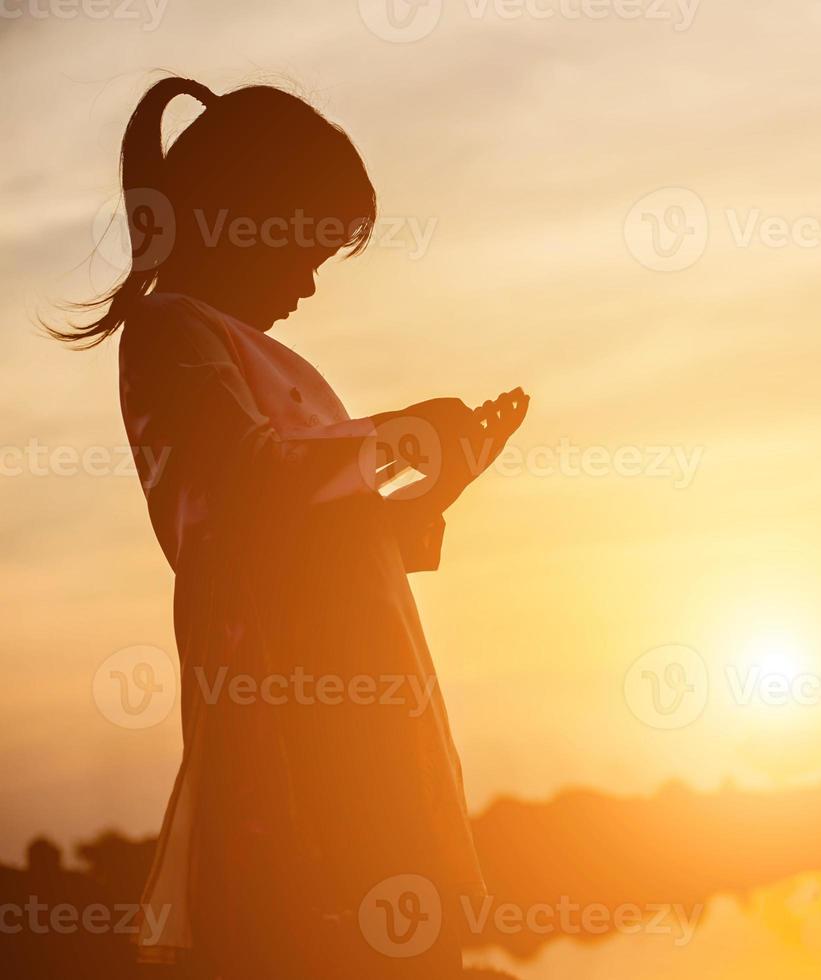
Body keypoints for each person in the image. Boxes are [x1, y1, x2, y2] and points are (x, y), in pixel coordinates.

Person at [51, 75, 526, 978]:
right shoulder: (170, 334)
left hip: (371, 728)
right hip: (294, 747)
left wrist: (429, 491)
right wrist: (399, 438)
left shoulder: (257, 352)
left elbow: (313, 538)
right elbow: (245, 489)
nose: (309, 285)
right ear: (241, 217)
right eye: (306, 248)